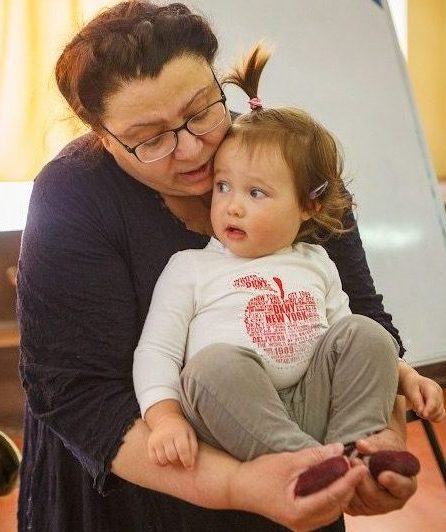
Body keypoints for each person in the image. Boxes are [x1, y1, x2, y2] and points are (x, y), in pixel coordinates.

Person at [17, 1, 438, 530]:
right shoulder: (73, 196)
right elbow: (79, 394)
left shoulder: (285, 159)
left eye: (201, 111)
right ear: (103, 136)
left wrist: (377, 447)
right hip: (139, 484)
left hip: (306, 469)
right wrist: (236, 483)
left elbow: (359, 318)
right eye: (151, 138)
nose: (192, 149)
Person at [132, 44, 441, 476]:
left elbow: (346, 339)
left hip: (315, 404)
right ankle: (311, 462)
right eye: (223, 186)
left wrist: (406, 376)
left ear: (307, 206)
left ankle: (359, 446)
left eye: (256, 192)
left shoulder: (316, 261)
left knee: (367, 333)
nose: (232, 206)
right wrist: (164, 417)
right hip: (236, 415)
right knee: (209, 367)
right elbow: (157, 350)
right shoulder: (190, 268)